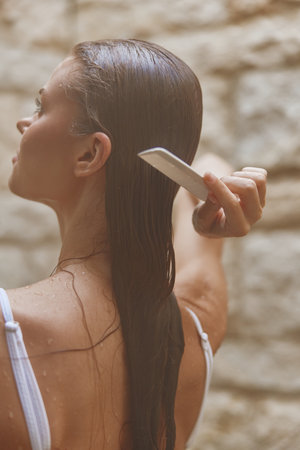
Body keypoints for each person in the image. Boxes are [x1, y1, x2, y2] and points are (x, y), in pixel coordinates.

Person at [0, 39, 267, 450]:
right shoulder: (194, 330)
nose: (24, 122)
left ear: (90, 153)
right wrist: (206, 189)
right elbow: (213, 165)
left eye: (40, 106)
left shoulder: (9, 333)